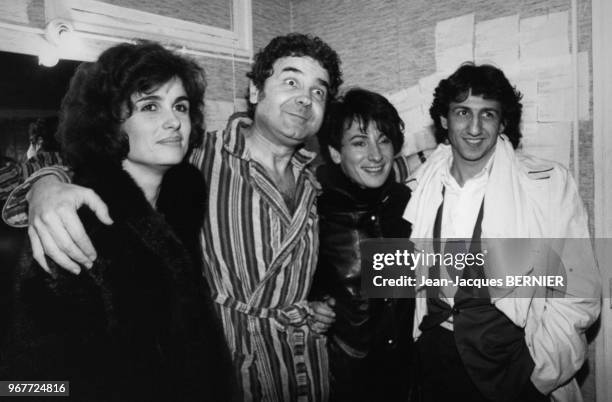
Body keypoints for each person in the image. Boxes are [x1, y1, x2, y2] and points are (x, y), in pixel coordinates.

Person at [3, 33, 343, 401]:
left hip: (304, 366)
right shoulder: (203, 156)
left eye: (319, 91)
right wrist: (45, 186)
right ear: (256, 91)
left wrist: (313, 301)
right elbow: (26, 384)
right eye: (291, 81)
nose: (305, 99)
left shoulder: (312, 180)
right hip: (239, 369)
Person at [1, 41, 233, 401]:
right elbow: (23, 388)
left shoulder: (183, 202)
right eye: (149, 106)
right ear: (107, 121)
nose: (174, 121)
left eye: (181, 106)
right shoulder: (75, 227)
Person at [403, 63, 601, 401]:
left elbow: (578, 293)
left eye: (488, 115)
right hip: (433, 370)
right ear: (444, 120)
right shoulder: (419, 186)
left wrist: (537, 378)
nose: (475, 127)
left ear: (503, 121)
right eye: (463, 112)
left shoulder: (547, 185)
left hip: (514, 373)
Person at [309, 88, 414, 401]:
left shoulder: (405, 202)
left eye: (383, 140)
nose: (376, 155)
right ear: (336, 152)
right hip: (346, 379)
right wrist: (312, 305)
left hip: (405, 376)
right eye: (359, 142)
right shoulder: (315, 210)